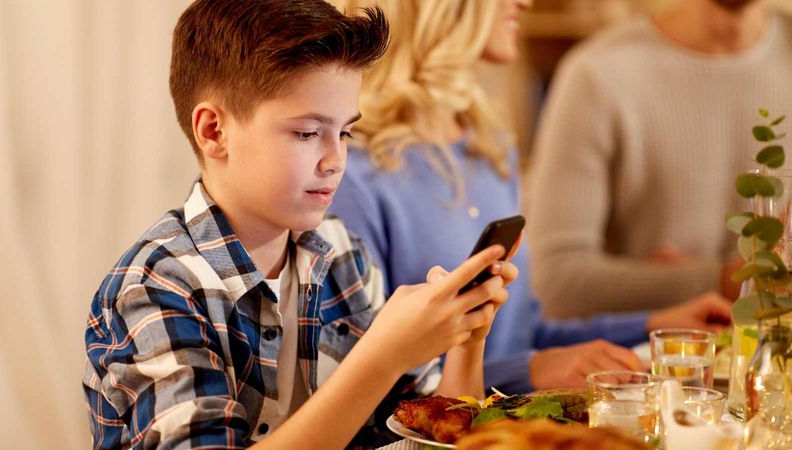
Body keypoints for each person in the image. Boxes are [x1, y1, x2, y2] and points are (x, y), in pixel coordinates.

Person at [81, 1, 519, 449]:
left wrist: (467, 339)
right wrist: (381, 358)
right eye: (307, 133)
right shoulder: (156, 288)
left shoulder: (342, 253)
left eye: (344, 133)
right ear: (213, 131)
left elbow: (431, 434)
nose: (336, 161)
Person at [330, 0, 733, 395]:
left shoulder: (487, 148)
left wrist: (651, 326)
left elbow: (521, 337)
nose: (526, 3)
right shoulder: (351, 173)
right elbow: (360, 389)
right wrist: (530, 370)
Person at [527, 0, 792, 318]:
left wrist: (674, 281)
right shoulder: (598, 74)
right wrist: (728, 280)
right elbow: (554, 283)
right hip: (656, 349)